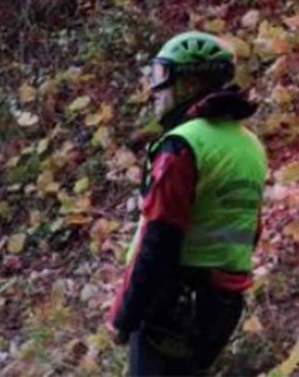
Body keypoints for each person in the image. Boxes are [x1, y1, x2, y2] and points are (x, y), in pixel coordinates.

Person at [109, 31, 267, 376]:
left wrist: (125, 316)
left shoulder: (182, 145)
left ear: (190, 83)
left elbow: (160, 238)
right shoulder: (249, 144)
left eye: (161, 76)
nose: (154, 89)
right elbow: (251, 228)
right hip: (222, 307)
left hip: (172, 305)